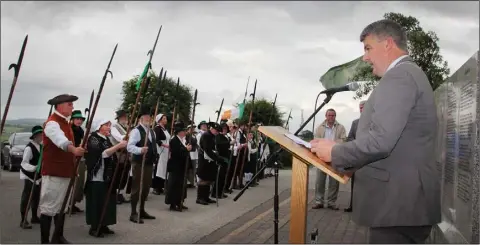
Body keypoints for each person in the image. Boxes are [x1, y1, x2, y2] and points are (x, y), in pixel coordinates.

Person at [310, 19, 440, 244]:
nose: (365, 57)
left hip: (398, 206)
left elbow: (381, 141)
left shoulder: (400, 76)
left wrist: (336, 152)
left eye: (368, 48)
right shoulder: (407, 74)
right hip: (401, 207)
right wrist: (350, 165)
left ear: (388, 44)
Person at [39, 94, 85, 244]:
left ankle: (58, 236)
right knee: (48, 208)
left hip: (66, 172)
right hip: (54, 172)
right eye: (69, 104)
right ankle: (45, 241)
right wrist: (73, 149)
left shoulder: (66, 123)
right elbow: (60, 140)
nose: (72, 107)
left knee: (62, 206)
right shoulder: (52, 123)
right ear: (59, 106)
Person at [84, 119, 127, 237]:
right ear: (99, 127)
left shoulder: (106, 139)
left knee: (106, 201)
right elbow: (102, 154)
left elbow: (110, 152)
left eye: (109, 125)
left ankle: (104, 224)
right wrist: (118, 146)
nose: (109, 127)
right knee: (97, 202)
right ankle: (94, 227)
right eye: (106, 125)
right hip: (97, 176)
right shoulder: (93, 139)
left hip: (107, 175)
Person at [126, 107, 157, 223]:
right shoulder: (136, 131)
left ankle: (142, 210)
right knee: (137, 187)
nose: (149, 119)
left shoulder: (152, 131)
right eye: (146, 117)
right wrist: (140, 150)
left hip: (149, 163)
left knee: (146, 188)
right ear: (140, 119)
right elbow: (130, 146)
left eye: (150, 117)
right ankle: (133, 213)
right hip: (139, 162)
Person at [312, 108, 346, 210]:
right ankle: (319, 201)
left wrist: (332, 145)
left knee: (334, 182)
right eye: (329, 115)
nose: (331, 117)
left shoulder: (341, 128)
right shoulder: (319, 128)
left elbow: (344, 140)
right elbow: (316, 141)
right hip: (322, 158)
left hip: (335, 157)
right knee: (319, 181)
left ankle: (331, 202)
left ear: (335, 116)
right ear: (326, 116)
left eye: (333, 115)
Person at [19, 125, 43, 229]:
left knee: (36, 198)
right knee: (26, 198)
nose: (42, 137)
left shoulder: (41, 146)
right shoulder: (29, 148)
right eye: (40, 135)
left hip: (38, 177)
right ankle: (23, 220)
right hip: (29, 176)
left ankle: (34, 217)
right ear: (35, 136)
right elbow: (24, 163)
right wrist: (34, 168)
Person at [344, 100, 365, 213]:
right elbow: (350, 138)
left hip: (370, 159)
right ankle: (353, 206)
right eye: (360, 107)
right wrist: (356, 143)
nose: (362, 109)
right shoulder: (355, 122)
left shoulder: (375, 122)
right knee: (355, 184)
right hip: (357, 158)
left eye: (364, 107)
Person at [165, 121, 192, 211]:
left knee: (182, 185)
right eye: (183, 131)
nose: (184, 132)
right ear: (179, 132)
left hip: (182, 166)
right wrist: (186, 149)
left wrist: (187, 149)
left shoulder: (184, 140)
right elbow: (176, 153)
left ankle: (180, 201)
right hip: (176, 166)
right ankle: (173, 203)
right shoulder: (174, 140)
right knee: (174, 185)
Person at [196, 122, 224, 205]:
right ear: (212, 129)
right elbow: (207, 150)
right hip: (205, 160)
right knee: (203, 179)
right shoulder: (206, 136)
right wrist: (217, 158)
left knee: (209, 179)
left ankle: (206, 197)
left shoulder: (212, 136)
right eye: (216, 131)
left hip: (210, 161)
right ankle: (200, 197)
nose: (217, 133)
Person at [109, 109, 131, 204]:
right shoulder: (114, 126)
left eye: (125, 117)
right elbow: (119, 137)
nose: (125, 118)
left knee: (124, 174)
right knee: (117, 174)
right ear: (119, 118)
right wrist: (130, 135)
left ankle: (120, 193)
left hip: (126, 154)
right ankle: (114, 195)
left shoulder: (126, 127)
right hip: (117, 153)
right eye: (123, 117)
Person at [69, 110, 86, 214]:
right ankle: (68, 205)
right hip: (71, 157)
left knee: (79, 182)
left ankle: (73, 204)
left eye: (80, 119)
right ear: (72, 119)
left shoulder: (80, 130)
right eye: (77, 119)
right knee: (72, 183)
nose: (79, 121)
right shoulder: (69, 129)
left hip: (80, 157)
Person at [152, 113, 170, 195]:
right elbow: (156, 139)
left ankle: (160, 186)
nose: (166, 120)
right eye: (164, 119)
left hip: (166, 151)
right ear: (159, 120)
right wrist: (164, 145)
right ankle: (155, 187)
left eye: (166, 118)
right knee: (159, 168)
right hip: (161, 150)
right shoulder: (157, 128)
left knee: (164, 169)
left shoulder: (165, 129)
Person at [212, 122, 230, 199]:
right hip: (221, 159)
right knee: (219, 177)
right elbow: (219, 144)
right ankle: (215, 193)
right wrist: (229, 143)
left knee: (223, 177)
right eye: (223, 129)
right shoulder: (218, 136)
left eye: (226, 129)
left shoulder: (225, 137)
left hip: (225, 159)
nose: (224, 130)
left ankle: (220, 192)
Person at [186, 123, 198, 188]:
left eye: (193, 128)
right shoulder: (187, 135)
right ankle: (188, 182)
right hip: (190, 153)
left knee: (193, 169)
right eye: (191, 128)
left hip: (194, 153)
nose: (192, 129)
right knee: (189, 168)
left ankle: (191, 182)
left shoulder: (194, 135)